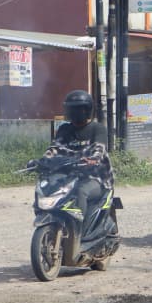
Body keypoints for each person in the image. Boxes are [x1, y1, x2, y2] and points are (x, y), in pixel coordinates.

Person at [49, 90, 112, 237]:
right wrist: (42, 161)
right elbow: (54, 149)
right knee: (49, 187)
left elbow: (99, 148)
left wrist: (93, 159)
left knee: (80, 191)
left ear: (87, 110)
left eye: (78, 109)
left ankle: (80, 231)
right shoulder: (65, 129)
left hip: (97, 178)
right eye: (71, 108)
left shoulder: (97, 128)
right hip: (70, 176)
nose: (74, 112)